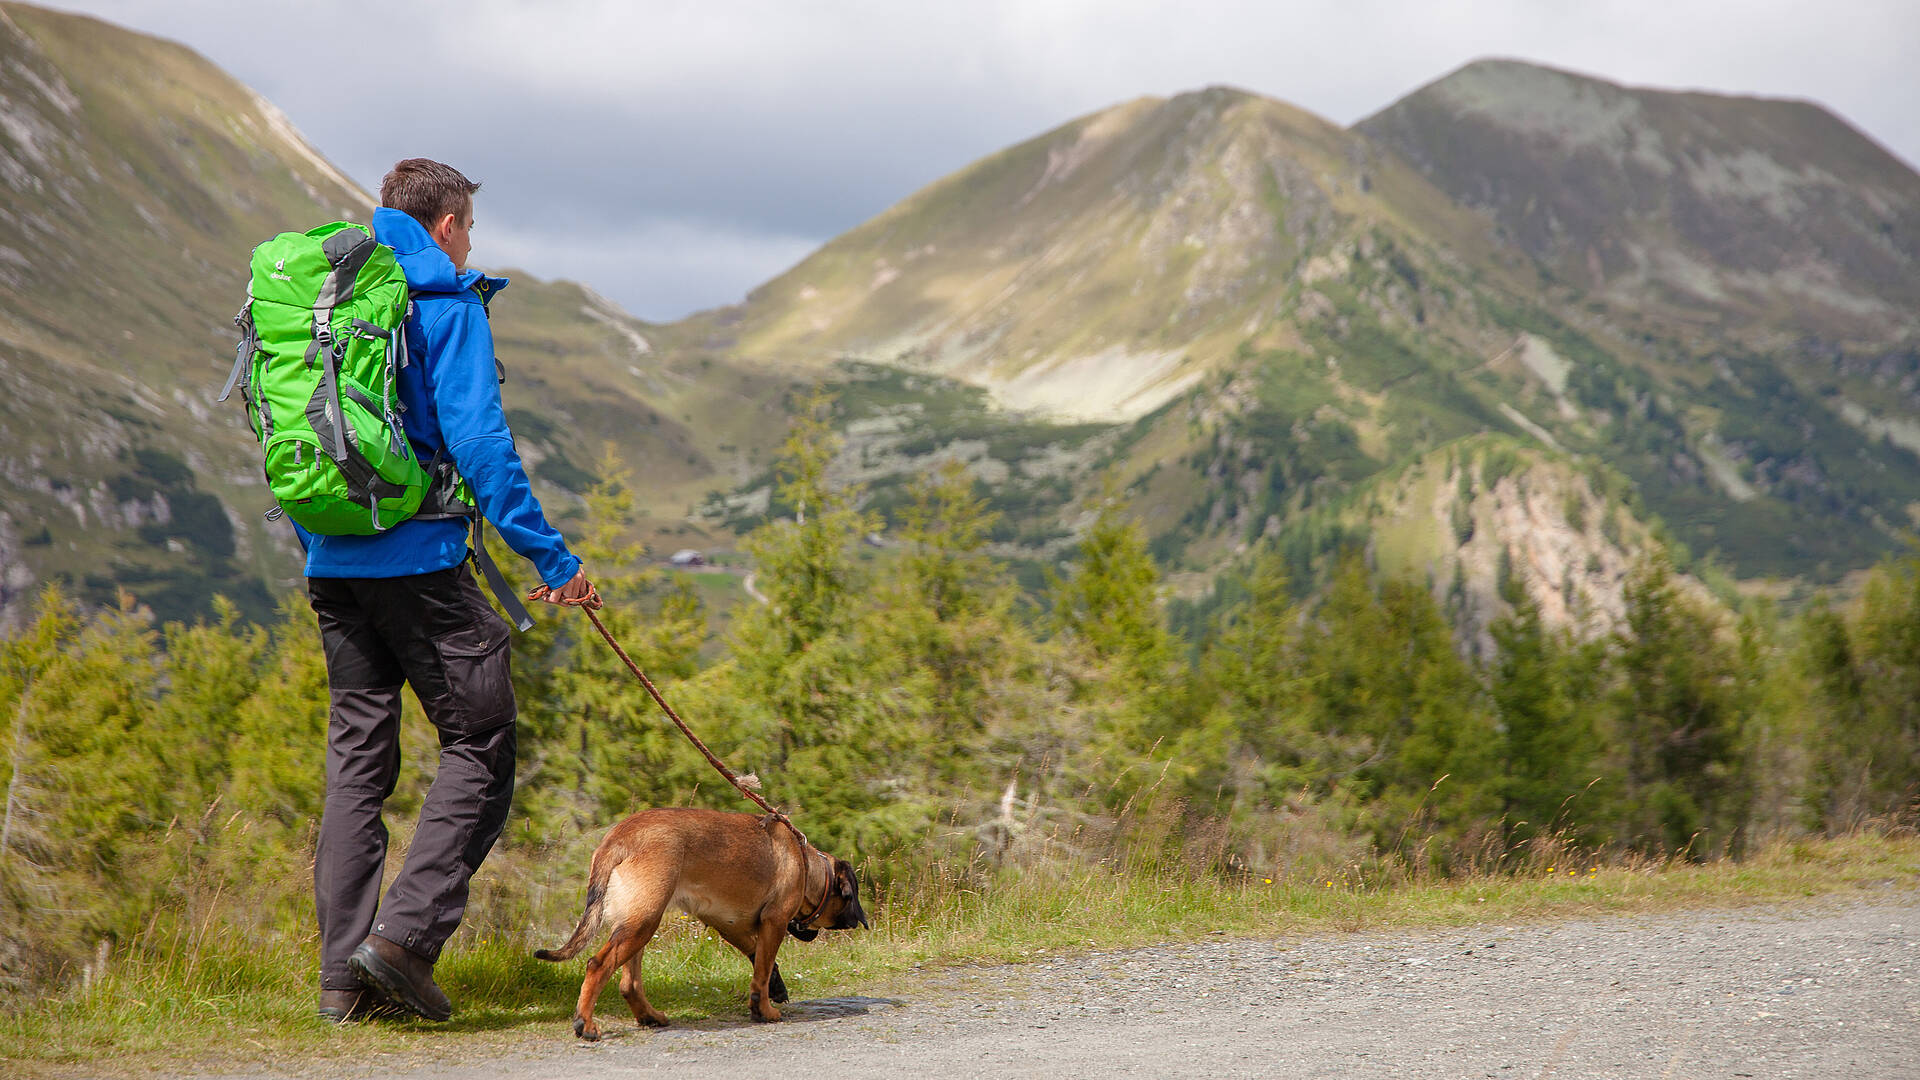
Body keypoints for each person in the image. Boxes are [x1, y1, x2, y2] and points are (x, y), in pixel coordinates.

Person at [304, 158, 598, 1024]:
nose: (472, 243)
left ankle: (340, 989)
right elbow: (481, 446)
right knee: (482, 743)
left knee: (357, 770)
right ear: (444, 223)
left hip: (334, 565)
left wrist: (334, 537)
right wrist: (553, 562)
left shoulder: (333, 296)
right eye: (469, 226)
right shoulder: (444, 301)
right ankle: (401, 945)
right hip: (422, 569)